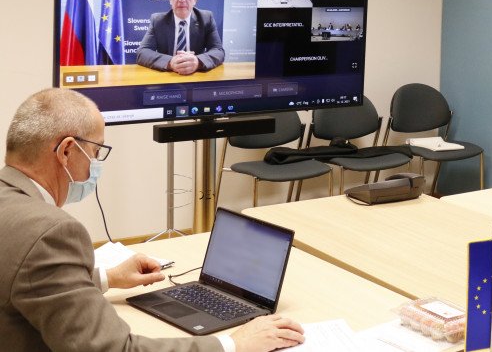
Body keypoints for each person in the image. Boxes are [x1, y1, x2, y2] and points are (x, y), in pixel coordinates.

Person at [0, 88, 305, 352]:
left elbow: (22, 277)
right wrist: (234, 344)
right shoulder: (52, 233)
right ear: (67, 151)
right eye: (95, 151)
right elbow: (116, 349)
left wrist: (107, 278)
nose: (95, 164)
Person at [137, 0, 225, 75]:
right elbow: (142, 52)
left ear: (195, 0)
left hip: (196, 76)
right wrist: (170, 62)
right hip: (167, 77)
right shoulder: (157, 20)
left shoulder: (206, 18)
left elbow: (218, 51)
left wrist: (197, 62)